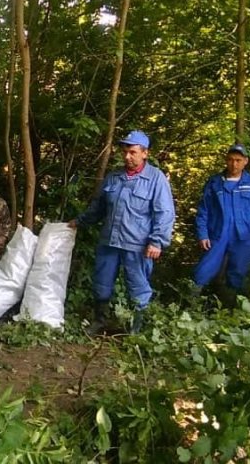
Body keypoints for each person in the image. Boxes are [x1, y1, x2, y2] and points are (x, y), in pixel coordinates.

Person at [68, 130, 175, 335]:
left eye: (132, 152)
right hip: (109, 241)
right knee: (102, 282)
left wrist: (157, 241)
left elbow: (165, 212)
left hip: (138, 245)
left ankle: (135, 329)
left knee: (138, 287)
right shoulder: (114, 177)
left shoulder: (156, 179)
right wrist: (79, 221)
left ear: (145, 153)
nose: (127, 156)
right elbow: (98, 207)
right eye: (125, 152)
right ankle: (100, 321)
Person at [193, 144, 250, 303]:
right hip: (217, 235)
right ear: (226, 160)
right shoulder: (215, 182)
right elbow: (203, 210)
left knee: (237, 273)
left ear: (245, 161)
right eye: (230, 160)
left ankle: (230, 311)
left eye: (238, 160)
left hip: (244, 237)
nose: (234, 164)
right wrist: (202, 234)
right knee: (203, 270)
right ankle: (189, 304)